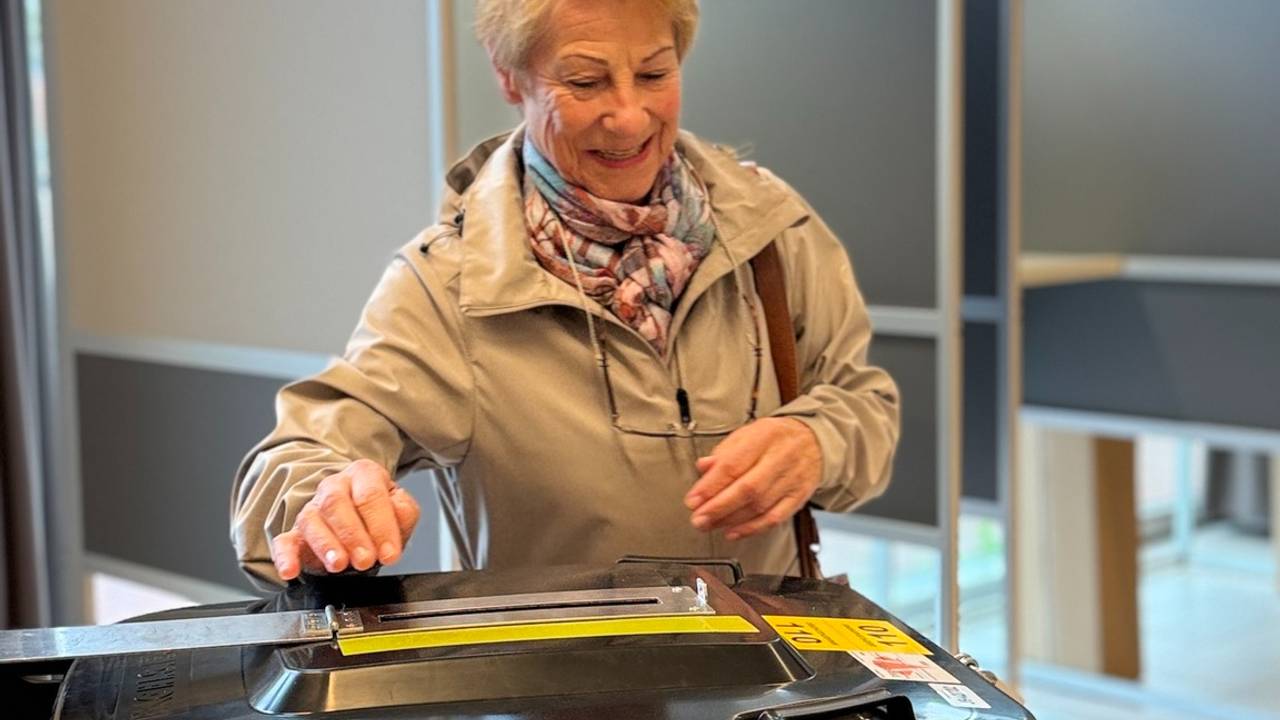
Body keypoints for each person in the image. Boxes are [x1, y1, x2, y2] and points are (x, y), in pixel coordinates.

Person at [230, 0, 900, 590]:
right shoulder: (450, 286)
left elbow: (865, 404)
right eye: (584, 80)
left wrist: (817, 442)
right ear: (508, 74)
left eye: (655, 73)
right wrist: (323, 501)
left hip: (765, 683)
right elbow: (298, 456)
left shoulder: (769, 226)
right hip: (564, 690)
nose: (629, 116)